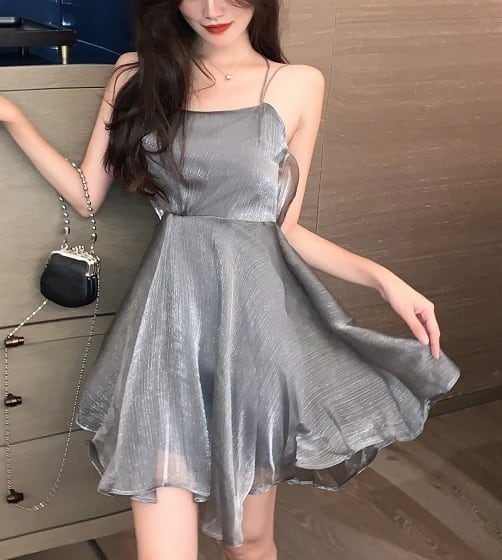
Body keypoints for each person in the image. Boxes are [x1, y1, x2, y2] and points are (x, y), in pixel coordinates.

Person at [0, 1, 460, 559]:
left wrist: (383, 279)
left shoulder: (298, 83)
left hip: (254, 330)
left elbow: (283, 226)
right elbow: (86, 194)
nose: (213, 8)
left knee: (250, 542)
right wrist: (12, 115)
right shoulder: (136, 73)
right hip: (167, 328)